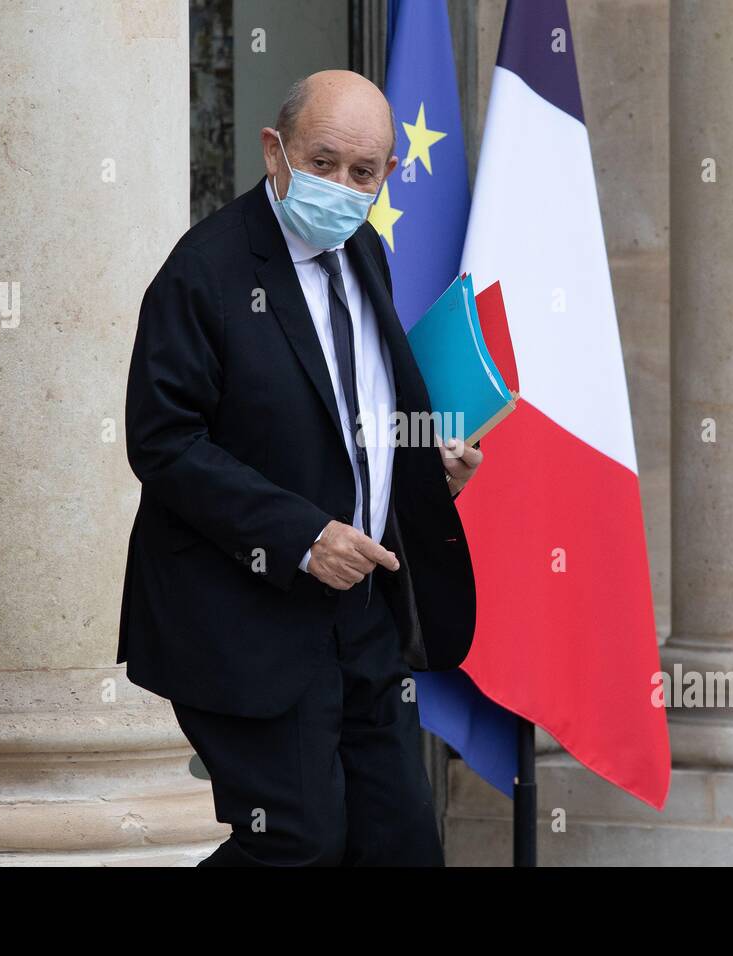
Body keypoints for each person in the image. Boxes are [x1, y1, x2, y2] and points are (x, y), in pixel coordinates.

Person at [116, 69, 483, 866]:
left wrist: (420, 462)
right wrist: (301, 535)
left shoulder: (366, 254)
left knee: (401, 846)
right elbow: (163, 441)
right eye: (324, 163)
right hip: (242, 615)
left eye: (364, 172)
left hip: (359, 616)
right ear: (274, 152)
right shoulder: (205, 271)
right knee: (295, 845)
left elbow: (352, 414)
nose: (343, 188)